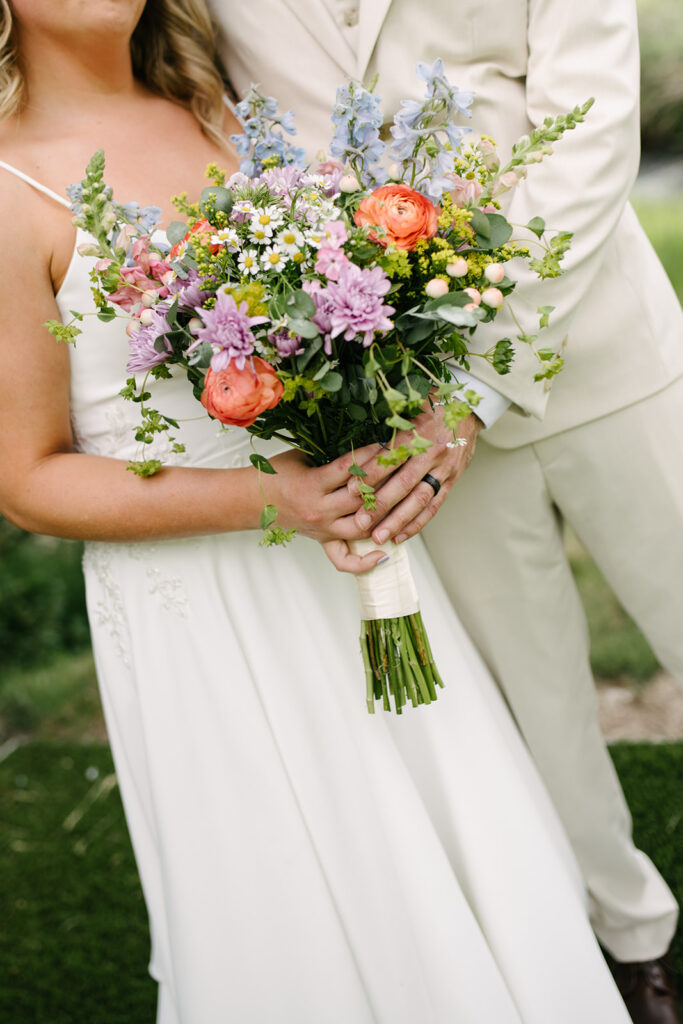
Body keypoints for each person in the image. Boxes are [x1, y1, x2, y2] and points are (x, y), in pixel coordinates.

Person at [0, 0, 646, 1021]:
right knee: (283, 876)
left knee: (452, 825)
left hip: (349, 550)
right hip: (204, 601)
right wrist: (277, 497)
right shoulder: (10, 183)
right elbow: (26, 477)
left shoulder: (221, 114)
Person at [211, 2, 683, 1022]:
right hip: (390, 391)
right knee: (531, 706)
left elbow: (592, 121)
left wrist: (467, 385)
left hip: (600, 345)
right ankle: (629, 945)